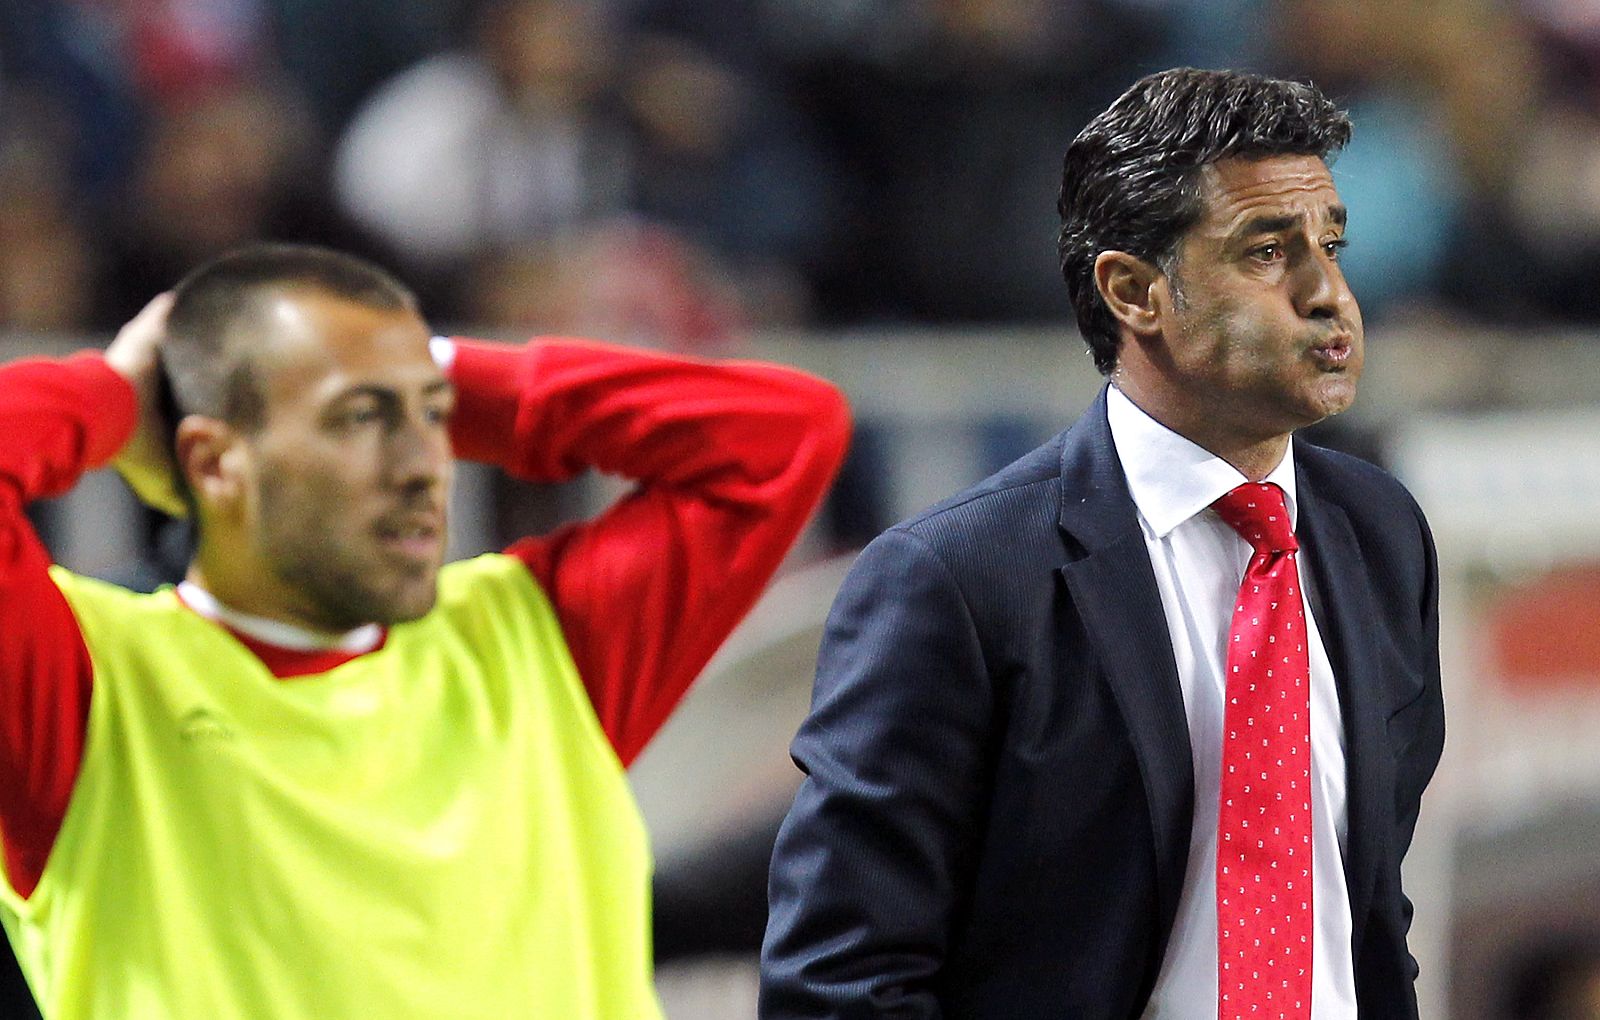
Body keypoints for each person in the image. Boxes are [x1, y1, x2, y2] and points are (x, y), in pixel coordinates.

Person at [0, 243, 850, 1019]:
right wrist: (111, 392)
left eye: (436, 415)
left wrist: (420, 361)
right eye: (359, 417)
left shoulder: (531, 640)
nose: (423, 465)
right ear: (217, 461)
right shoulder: (91, 687)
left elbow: (780, 434)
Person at [762, 68, 1445, 1019]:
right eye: (1266, 252)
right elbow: (840, 983)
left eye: (1331, 245)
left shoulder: (1382, 536)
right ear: (1134, 292)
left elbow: (1362, 907)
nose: (1328, 293)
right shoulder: (955, 580)